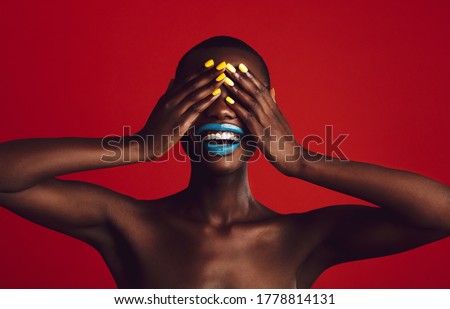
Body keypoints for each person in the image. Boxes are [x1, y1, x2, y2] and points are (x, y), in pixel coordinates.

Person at [0, 36, 449, 288]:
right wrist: (138, 146)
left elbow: (440, 213)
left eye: (241, 95)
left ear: (270, 108)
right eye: (204, 93)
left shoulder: (304, 238)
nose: (221, 110)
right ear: (174, 105)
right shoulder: (128, 224)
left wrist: (301, 161)